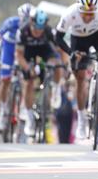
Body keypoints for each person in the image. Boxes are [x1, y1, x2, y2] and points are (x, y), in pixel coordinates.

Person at [55, 0, 98, 140]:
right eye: (85, 13)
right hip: (78, 40)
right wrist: (71, 52)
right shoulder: (70, 14)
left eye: (92, 13)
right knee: (80, 78)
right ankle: (82, 118)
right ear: (78, 8)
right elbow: (58, 38)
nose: (89, 16)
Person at [15, 8, 63, 137]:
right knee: (29, 82)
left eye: (41, 29)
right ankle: (29, 116)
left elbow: (60, 48)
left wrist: (64, 64)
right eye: (36, 29)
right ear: (31, 23)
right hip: (28, 52)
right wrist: (27, 68)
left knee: (57, 64)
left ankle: (56, 89)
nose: (38, 32)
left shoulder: (48, 31)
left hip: (44, 49)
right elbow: (19, 56)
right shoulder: (22, 32)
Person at [0, 3, 34, 136]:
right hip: (8, 50)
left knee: (26, 79)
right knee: (5, 80)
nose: (26, 22)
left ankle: (23, 106)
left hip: (22, 51)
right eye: (24, 19)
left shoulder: (32, 28)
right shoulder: (10, 23)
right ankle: (4, 110)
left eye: (29, 19)